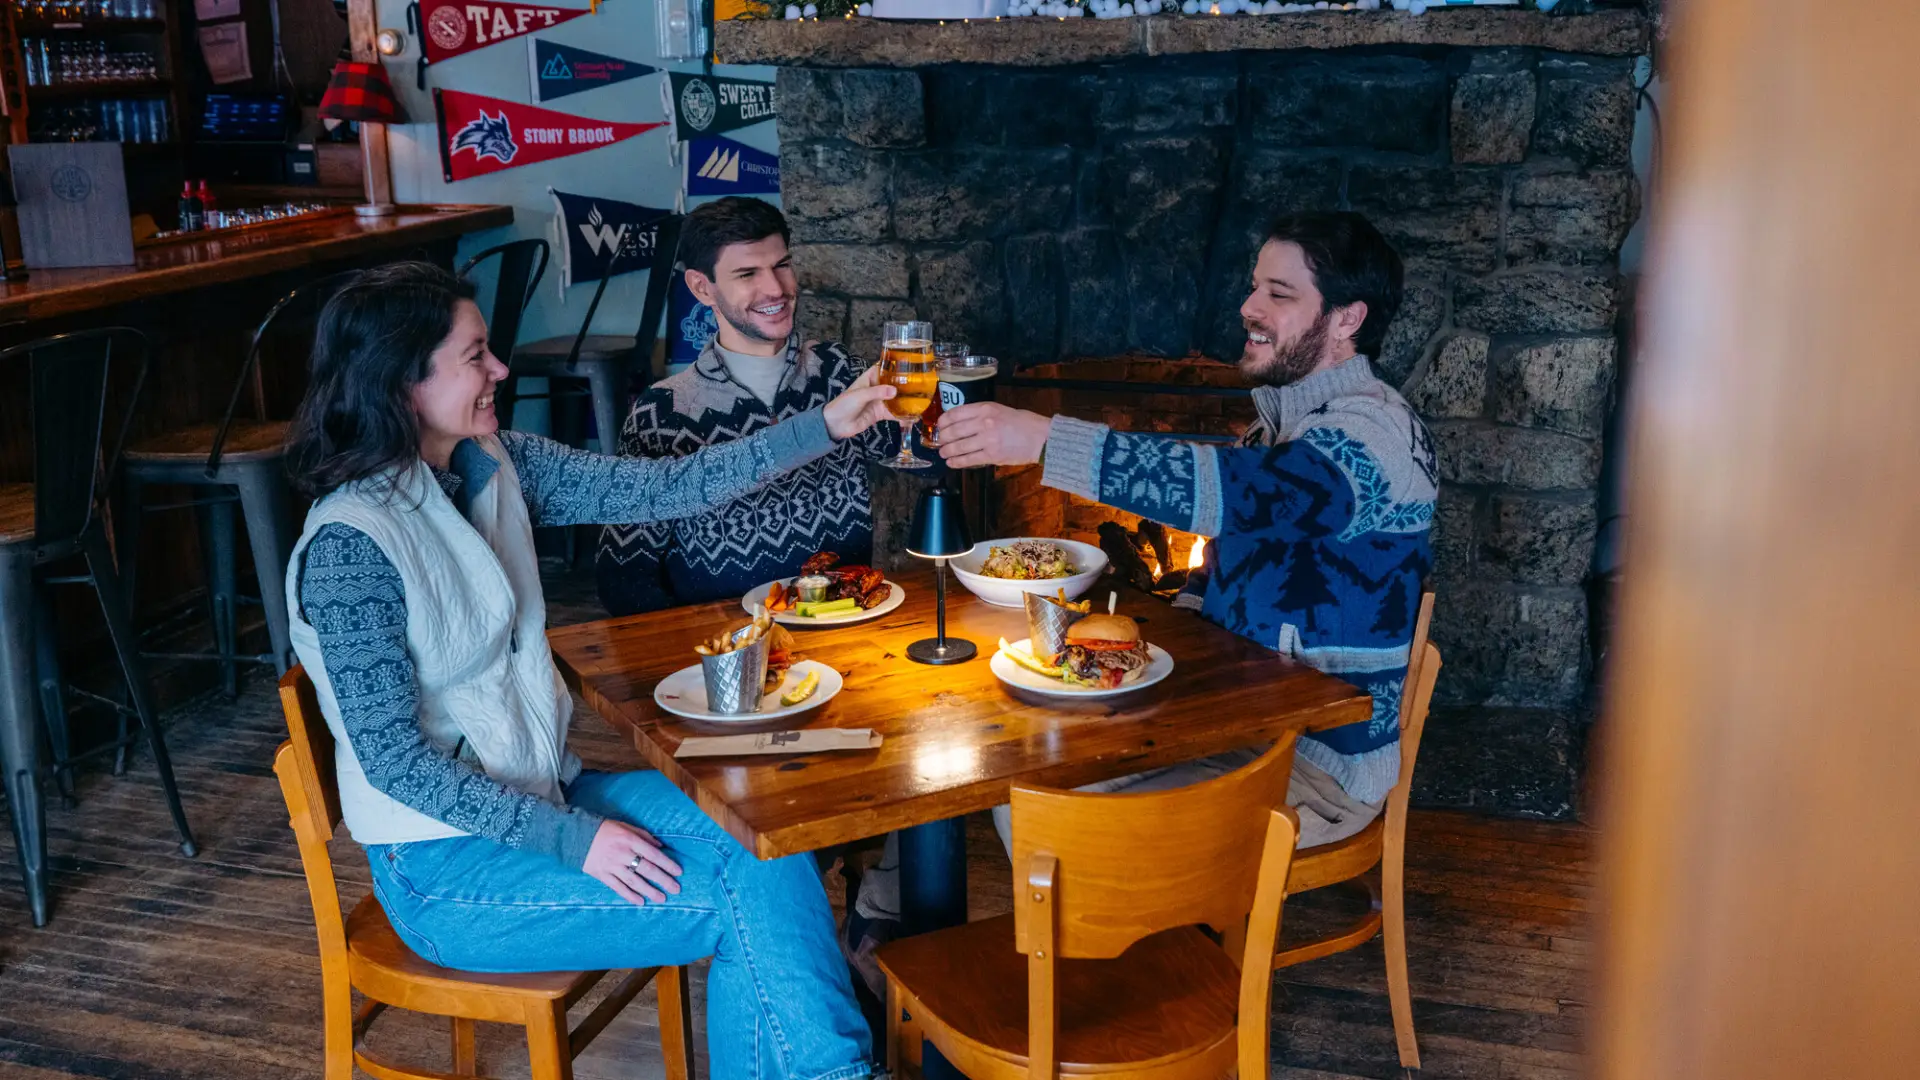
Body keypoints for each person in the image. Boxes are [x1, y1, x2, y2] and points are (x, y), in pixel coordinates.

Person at [282, 261, 895, 1080]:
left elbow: (672, 486)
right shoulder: (350, 548)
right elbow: (398, 765)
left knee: (769, 840)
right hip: (446, 870)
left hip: (546, 793)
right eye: (475, 357)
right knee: (740, 899)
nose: (502, 369)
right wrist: (574, 840)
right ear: (402, 383)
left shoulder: (491, 460)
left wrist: (828, 422)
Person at [843, 212, 1436, 997]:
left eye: (1279, 294)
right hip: (1248, 723)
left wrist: (1046, 440)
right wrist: (1158, 633)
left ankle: (1117, 1005)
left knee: (1038, 810)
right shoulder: (1290, 425)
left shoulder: (1371, 435)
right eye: (1254, 286)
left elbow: (1237, 497)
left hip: (1314, 768)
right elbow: (1227, 557)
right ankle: (1092, 964)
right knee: (1023, 763)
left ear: (1348, 319)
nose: (1248, 308)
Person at [597, 197, 893, 615]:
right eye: (747, 274)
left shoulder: (838, 371)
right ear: (703, 288)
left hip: (843, 622)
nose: (775, 289)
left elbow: (924, 455)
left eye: (781, 265)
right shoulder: (662, 414)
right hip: (727, 646)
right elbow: (624, 577)